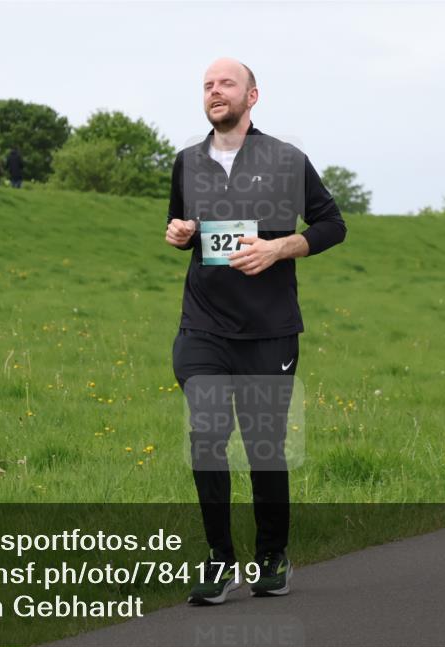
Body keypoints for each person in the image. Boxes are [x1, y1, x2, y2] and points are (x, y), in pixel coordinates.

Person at [166, 58, 346, 605]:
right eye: (207, 85)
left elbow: (332, 224)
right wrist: (181, 232)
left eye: (225, 84)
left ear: (252, 96)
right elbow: (185, 226)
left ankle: (272, 554)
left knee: (264, 448)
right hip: (203, 326)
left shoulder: (287, 160)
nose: (214, 91)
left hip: (268, 330)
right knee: (207, 438)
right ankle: (220, 559)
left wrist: (279, 247)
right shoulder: (187, 162)